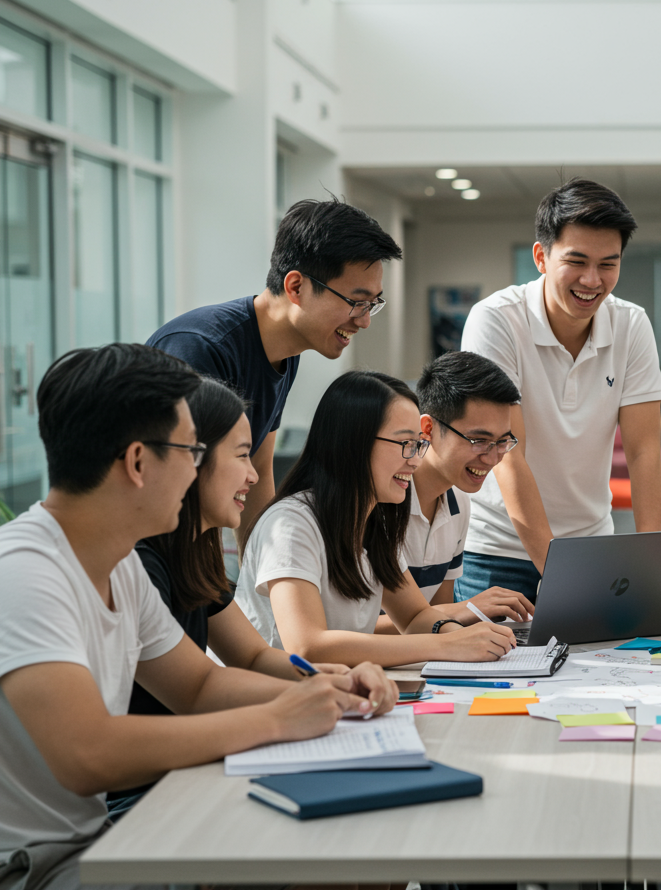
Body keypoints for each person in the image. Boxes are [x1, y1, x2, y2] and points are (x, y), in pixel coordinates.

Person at [0, 344, 390, 890]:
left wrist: (333, 687)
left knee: (346, 853)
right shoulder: (24, 572)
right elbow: (88, 755)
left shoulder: (118, 567)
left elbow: (201, 685)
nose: (198, 466)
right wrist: (279, 718)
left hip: (92, 846)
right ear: (138, 462)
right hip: (36, 868)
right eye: (189, 450)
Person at [147, 197, 403, 548]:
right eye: (356, 301)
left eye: (373, 303)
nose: (364, 320)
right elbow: (178, 487)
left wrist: (268, 573)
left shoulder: (286, 350)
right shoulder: (201, 348)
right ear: (296, 287)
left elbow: (258, 468)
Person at [458, 178, 661, 603]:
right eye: (577, 261)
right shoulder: (496, 321)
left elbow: (645, 454)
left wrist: (653, 569)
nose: (592, 280)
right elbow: (508, 455)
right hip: (498, 551)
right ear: (541, 257)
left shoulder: (631, 324)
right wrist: (561, 576)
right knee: (490, 667)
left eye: (608, 264)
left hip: (590, 546)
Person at [235, 370, 517, 665]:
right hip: (269, 701)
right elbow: (307, 647)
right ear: (353, 443)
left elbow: (415, 616)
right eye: (405, 444)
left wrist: (455, 634)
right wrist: (446, 645)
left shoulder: (372, 523)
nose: (416, 460)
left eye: (418, 445)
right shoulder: (291, 525)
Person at [396, 351, 534, 622]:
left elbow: (436, 622)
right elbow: (354, 625)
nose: (493, 458)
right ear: (427, 429)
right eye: (478, 440)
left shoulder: (459, 501)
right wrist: (470, 608)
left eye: (503, 442)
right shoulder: (385, 499)